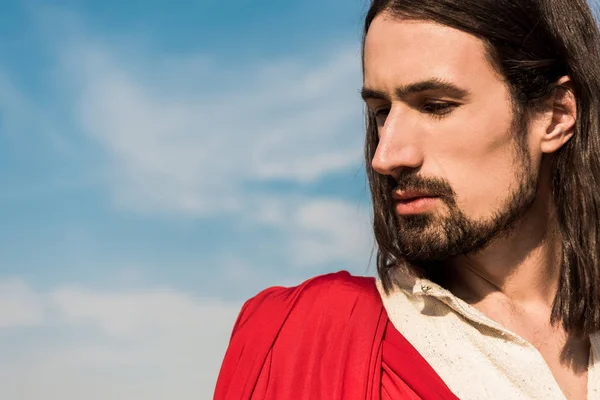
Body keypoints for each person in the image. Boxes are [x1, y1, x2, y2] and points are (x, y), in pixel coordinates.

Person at [214, 0, 600, 398]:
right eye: (381, 111)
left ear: (555, 114)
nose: (386, 156)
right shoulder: (304, 340)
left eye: (436, 107)